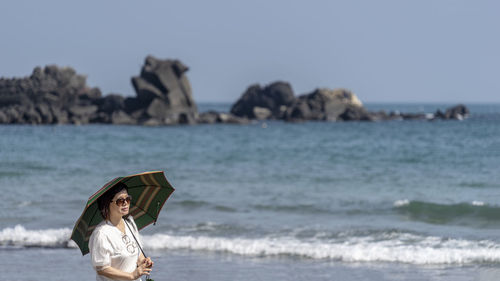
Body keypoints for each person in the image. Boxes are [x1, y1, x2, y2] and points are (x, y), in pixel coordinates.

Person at [89, 182, 154, 281]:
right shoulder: (101, 233)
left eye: (127, 199)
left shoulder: (130, 223)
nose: (125, 203)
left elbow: (137, 253)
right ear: (107, 203)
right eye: (120, 201)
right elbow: (102, 268)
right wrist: (131, 276)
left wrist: (143, 263)